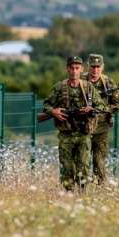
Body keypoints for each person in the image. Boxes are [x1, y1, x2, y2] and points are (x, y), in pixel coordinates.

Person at [43, 56, 106, 191]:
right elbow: (46, 105)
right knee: (67, 167)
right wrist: (53, 111)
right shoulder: (60, 87)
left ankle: (82, 193)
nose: (74, 71)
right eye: (71, 68)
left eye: (77, 68)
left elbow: (102, 106)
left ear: (81, 69)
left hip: (83, 134)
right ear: (67, 69)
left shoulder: (88, 88)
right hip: (66, 134)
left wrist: (91, 109)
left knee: (83, 166)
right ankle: (68, 194)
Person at [82, 53, 119, 185]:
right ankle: (79, 190)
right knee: (81, 160)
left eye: (98, 67)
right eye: (93, 67)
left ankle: (100, 190)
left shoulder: (108, 83)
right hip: (82, 127)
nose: (95, 70)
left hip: (101, 129)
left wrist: (102, 109)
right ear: (88, 67)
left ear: (102, 67)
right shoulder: (80, 81)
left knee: (99, 162)